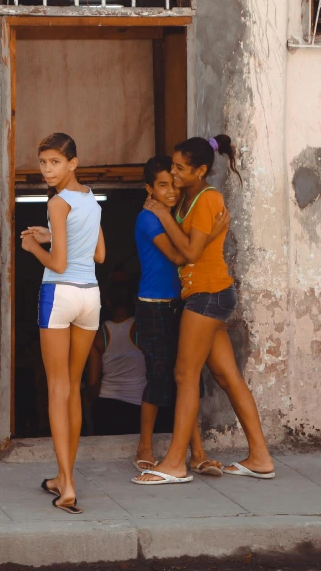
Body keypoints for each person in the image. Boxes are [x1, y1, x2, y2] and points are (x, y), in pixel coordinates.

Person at [133, 136, 274, 485]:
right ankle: (260, 457)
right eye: (173, 168)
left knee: (185, 376)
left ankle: (175, 464)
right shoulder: (190, 198)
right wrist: (182, 220)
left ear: (200, 170)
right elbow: (193, 245)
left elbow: (189, 254)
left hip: (207, 295)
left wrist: (164, 213)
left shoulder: (209, 198)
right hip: (208, 294)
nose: (175, 173)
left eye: (181, 168)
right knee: (227, 377)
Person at [20, 133, 105, 514]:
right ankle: (61, 475)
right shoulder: (90, 199)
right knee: (72, 386)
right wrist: (53, 236)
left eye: (55, 162)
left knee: (57, 388)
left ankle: (67, 485)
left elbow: (57, 263)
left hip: (59, 295)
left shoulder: (57, 202)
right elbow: (99, 254)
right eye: (43, 163)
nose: (47, 170)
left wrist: (34, 246)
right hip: (90, 297)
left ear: (73, 162)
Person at [133, 156, 230, 477]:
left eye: (173, 184)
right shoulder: (149, 218)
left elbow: (188, 246)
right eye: (162, 186)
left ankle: (197, 453)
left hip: (182, 304)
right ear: (149, 189)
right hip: (154, 305)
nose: (171, 191)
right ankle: (145, 446)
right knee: (158, 377)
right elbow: (179, 255)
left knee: (188, 380)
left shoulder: (173, 214)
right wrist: (212, 233)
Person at [86, 282, 146, 436]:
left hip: (106, 406)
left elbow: (93, 381)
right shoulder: (143, 329)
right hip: (139, 407)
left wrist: (93, 405)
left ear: (107, 302)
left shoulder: (99, 335)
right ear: (134, 300)